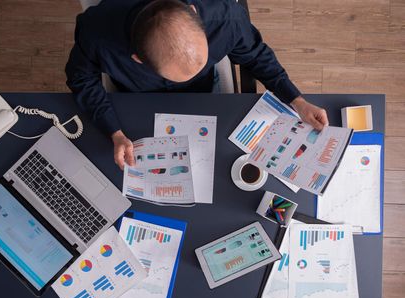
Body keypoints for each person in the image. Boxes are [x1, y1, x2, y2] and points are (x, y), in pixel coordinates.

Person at [66, 0, 329, 170]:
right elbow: (81, 78)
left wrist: (297, 100)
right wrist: (114, 131)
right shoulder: (97, 33)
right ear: (136, 59)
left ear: (193, 12)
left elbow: (257, 56)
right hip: (135, 99)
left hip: (207, 92)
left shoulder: (225, 19)